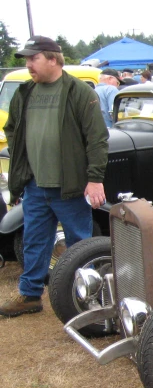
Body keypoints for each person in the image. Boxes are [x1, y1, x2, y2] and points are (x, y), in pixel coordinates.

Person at [0, 36, 108, 317]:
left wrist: (95, 178)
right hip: (35, 185)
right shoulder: (25, 92)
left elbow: (97, 139)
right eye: (26, 59)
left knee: (79, 244)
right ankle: (30, 295)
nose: (28, 65)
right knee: (34, 241)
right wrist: (24, 158)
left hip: (69, 187)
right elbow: (12, 128)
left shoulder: (79, 92)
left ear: (52, 59)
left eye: (32, 59)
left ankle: (85, 296)